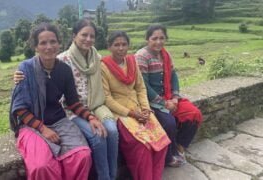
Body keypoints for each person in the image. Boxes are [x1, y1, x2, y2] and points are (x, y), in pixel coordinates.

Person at [14, 19, 119, 180]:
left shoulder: (64, 69)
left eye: (52, 42)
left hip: (58, 120)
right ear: (35, 46)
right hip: (32, 125)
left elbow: (73, 103)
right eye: (43, 43)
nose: (48, 47)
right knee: (41, 166)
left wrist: (91, 117)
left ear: (59, 43)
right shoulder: (26, 69)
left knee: (82, 155)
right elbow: (20, 109)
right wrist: (43, 129)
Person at [101, 31, 170, 180]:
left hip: (139, 108)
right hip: (121, 113)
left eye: (124, 44)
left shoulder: (132, 62)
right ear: (109, 47)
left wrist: (145, 109)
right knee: (142, 147)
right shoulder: (103, 67)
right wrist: (132, 114)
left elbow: (140, 87)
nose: (120, 48)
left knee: (161, 141)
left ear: (128, 46)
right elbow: (107, 98)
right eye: (116, 45)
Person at [135, 24, 203, 167]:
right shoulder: (141, 56)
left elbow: (173, 76)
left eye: (162, 38)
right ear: (148, 39)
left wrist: (175, 97)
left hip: (169, 97)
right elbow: (143, 86)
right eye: (154, 38)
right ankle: (168, 156)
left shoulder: (165, 54)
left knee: (194, 113)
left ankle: (179, 147)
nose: (158, 42)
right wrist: (164, 103)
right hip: (150, 101)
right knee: (169, 122)